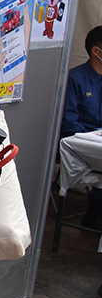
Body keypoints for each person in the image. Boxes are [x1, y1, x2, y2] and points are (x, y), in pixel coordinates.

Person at [60, 26, 102, 229]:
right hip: (80, 144)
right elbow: (69, 124)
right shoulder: (76, 78)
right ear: (96, 51)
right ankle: (94, 215)